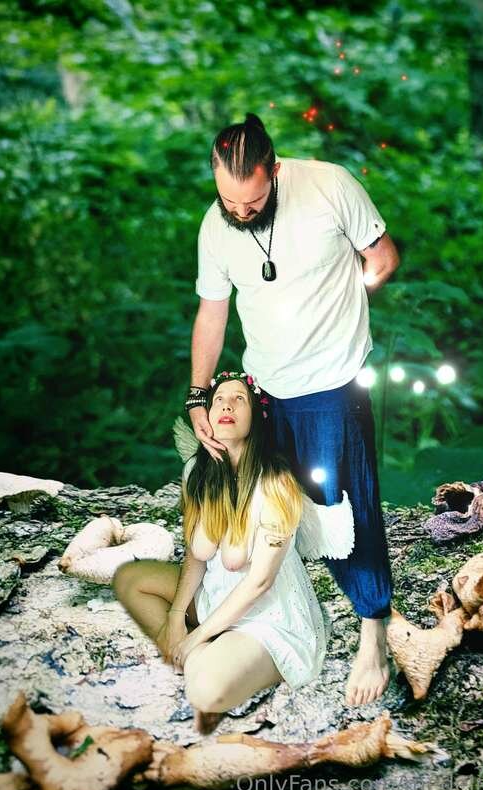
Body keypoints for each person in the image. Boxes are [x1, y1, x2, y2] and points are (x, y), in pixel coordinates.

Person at [186, 113, 401, 707]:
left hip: (332, 382)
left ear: (274, 171)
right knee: (265, 505)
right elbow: (212, 312)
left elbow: (382, 257)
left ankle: (374, 631)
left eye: (252, 202)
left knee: (343, 507)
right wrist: (198, 393)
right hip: (263, 385)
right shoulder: (216, 226)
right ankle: (271, 616)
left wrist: (348, 297)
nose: (239, 213)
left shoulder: (330, 186)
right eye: (229, 201)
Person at [113, 372, 327, 735]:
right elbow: (196, 556)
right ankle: (201, 649)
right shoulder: (197, 471)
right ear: (207, 417)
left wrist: (195, 638)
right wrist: (176, 616)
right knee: (129, 578)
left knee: (206, 692)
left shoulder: (276, 483)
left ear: (256, 418)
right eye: (218, 400)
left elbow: (260, 583)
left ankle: (208, 656)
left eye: (239, 399)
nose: (227, 405)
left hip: (265, 617)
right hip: (213, 599)